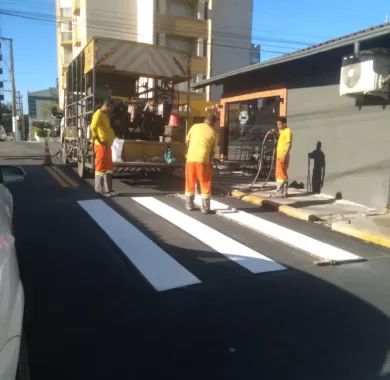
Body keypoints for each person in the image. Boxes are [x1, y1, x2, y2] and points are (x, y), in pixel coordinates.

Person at [185, 114, 218, 214]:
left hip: (190, 159)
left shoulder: (194, 127)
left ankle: (189, 205)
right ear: (214, 123)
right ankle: (205, 208)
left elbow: (187, 142)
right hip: (203, 160)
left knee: (190, 182)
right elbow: (212, 151)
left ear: (205, 120)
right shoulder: (214, 133)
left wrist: (188, 153)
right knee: (205, 182)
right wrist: (210, 160)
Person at [90, 98, 118, 197]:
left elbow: (107, 129)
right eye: (111, 107)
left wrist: (113, 137)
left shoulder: (105, 115)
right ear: (107, 105)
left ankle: (108, 189)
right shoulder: (98, 114)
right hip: (101, 145)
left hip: (107, 145)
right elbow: (93, 127)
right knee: (100, 167)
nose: (112, 109)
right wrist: (98, 139)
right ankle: (99, 190)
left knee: (108, 167)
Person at [274, 116, 293, 197]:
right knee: (279, 173)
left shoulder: (288, 131)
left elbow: (289, 144)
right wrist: (275, 133)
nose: (278, 126)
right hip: (279, 155)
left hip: (283, 155)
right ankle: (282, 192)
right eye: (278, 124)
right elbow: (280, 140)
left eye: (280, 124)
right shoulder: (283, 131)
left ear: (284, 123)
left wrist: (284, 155)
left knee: (281, 173)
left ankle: (281, 192)